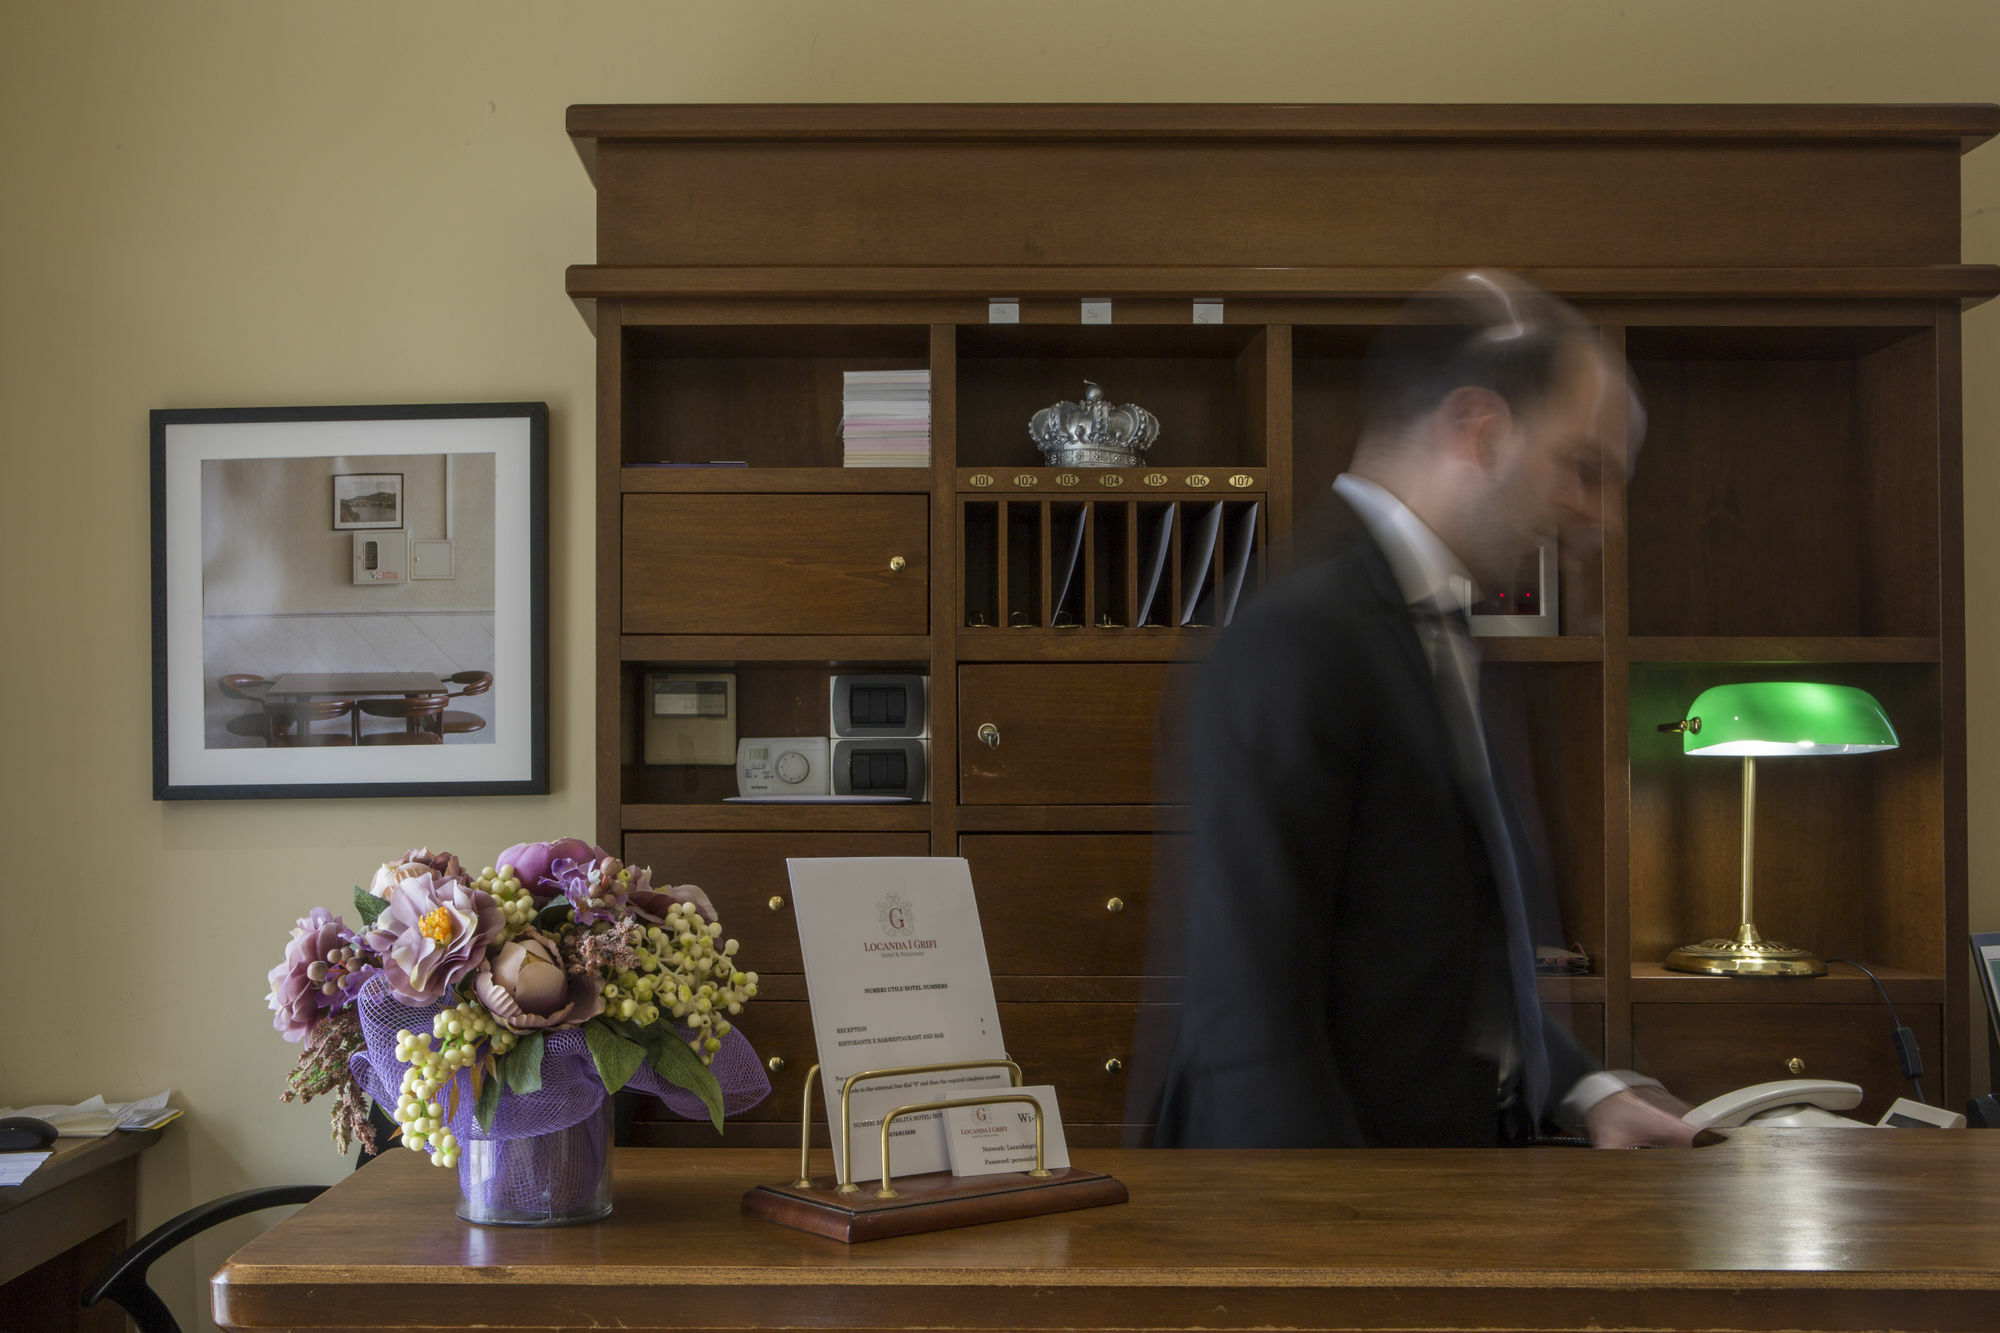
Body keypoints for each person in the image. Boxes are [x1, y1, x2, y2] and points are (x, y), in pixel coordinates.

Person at [1151, 272, 1694, 1149]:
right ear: (1479, 430)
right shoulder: (1296, 636)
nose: (1601, 517)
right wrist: (1354, 1272)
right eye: (1582, 471)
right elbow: (1252, 1026)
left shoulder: (1445, 622)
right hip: (1340, 1225)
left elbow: (1445, 955)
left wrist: (1587, 1090)